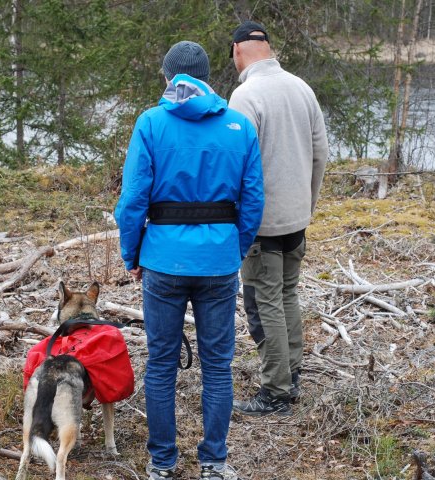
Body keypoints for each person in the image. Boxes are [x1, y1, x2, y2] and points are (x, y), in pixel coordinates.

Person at [114, 41, 264, 480]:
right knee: (218, 365)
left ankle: (162, 464)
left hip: (162, 261)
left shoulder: (151, 123)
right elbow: (253, 201)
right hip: (218, 262)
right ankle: (214, 463)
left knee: (161, 362)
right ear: (206, 76)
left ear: (167, 77)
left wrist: (132, 252)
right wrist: (233, 249)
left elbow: (132, 201)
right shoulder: (238, 125)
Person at [228, 21, 328, 417]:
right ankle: (291, 373)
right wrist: (307, 204)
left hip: (262, 224)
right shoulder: (301, 88)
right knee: (287, 295)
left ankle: (275, 391)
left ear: (237, 52)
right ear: (267, 48)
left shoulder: (245, 95)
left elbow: (237, 166)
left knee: (263, 301)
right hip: (296, 219)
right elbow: (321, 154)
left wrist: (237, 221)